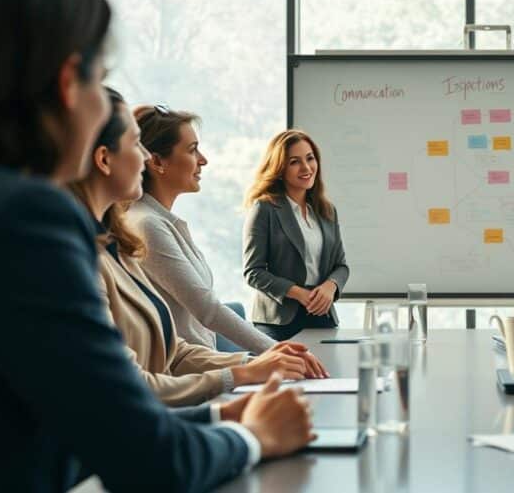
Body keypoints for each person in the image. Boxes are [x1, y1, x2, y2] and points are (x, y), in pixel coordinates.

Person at [0, 0, 313, 492]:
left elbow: (61, 427)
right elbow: (148, 461)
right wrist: (254, 437)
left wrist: (219, 418)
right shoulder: (24, 219)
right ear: (70, 83)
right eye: (102, 80)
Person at [70, 90, 327, 406]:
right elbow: (131, 380)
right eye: (137, 146)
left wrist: (254, 365)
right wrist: (254, 364)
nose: (145, 157)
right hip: (174, 405)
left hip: (187, 391)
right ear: (105, 159)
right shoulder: (121, 239)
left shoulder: (122, 241)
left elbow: (173, 350)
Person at [127, 104, 299, 355]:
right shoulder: (147, 224)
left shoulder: (159, 220)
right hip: (189, 378)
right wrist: (276, 350)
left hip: (205, 367)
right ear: (156, 161)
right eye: (192, 150)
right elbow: (207, 310)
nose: (203, 160)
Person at [243, 129, 350, 340]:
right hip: (278, 322)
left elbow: (341, 266)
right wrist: (298, 293)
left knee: (327, 373)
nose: (306, 167)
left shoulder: (326, 210)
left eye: (310, 158)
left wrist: (331, 286)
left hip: (321, 316)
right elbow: (253, 272)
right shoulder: (264, 209)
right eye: (294, 162)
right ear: (280, 168)